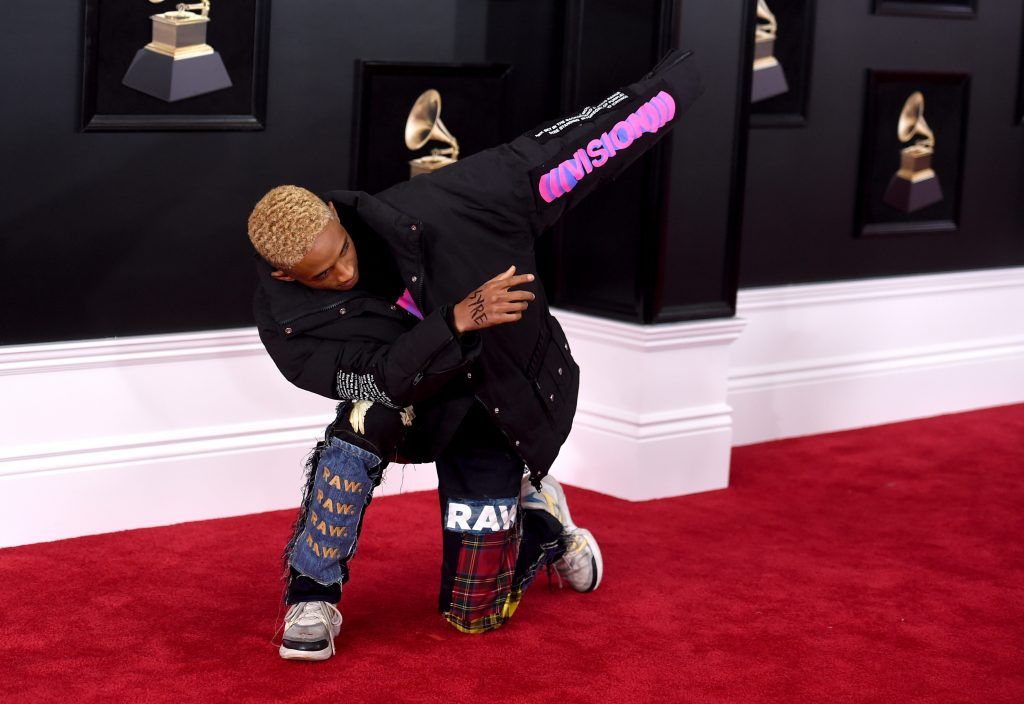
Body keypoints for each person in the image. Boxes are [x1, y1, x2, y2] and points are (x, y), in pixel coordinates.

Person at [247, 47, 704, 660]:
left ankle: (540, 522)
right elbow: (382, 379)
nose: (344, 272)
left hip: (503, 400)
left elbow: (576, 150)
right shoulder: (291, 326)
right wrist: (455, 321)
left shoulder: (455, 202)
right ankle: (312, 593)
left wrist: (676, 86)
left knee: (474, 615)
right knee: (358, 427)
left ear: (335, 213)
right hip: (412, 404)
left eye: (343, 252)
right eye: (322, 274)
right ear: (283, 276)